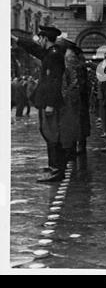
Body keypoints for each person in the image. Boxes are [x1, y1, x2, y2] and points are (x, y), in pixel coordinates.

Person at [11, 26, 66, 182]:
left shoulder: (54, 55)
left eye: (40, 38)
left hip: (50, 102)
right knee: (47, 132)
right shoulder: (50, 53)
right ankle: (53, 165)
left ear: (45, 39)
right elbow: (33, 49)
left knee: (52, 134)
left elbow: (54, 81)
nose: (38, 41)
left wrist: (50, 103)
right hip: (46, 101)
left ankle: (57, 169)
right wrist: (16, 39)